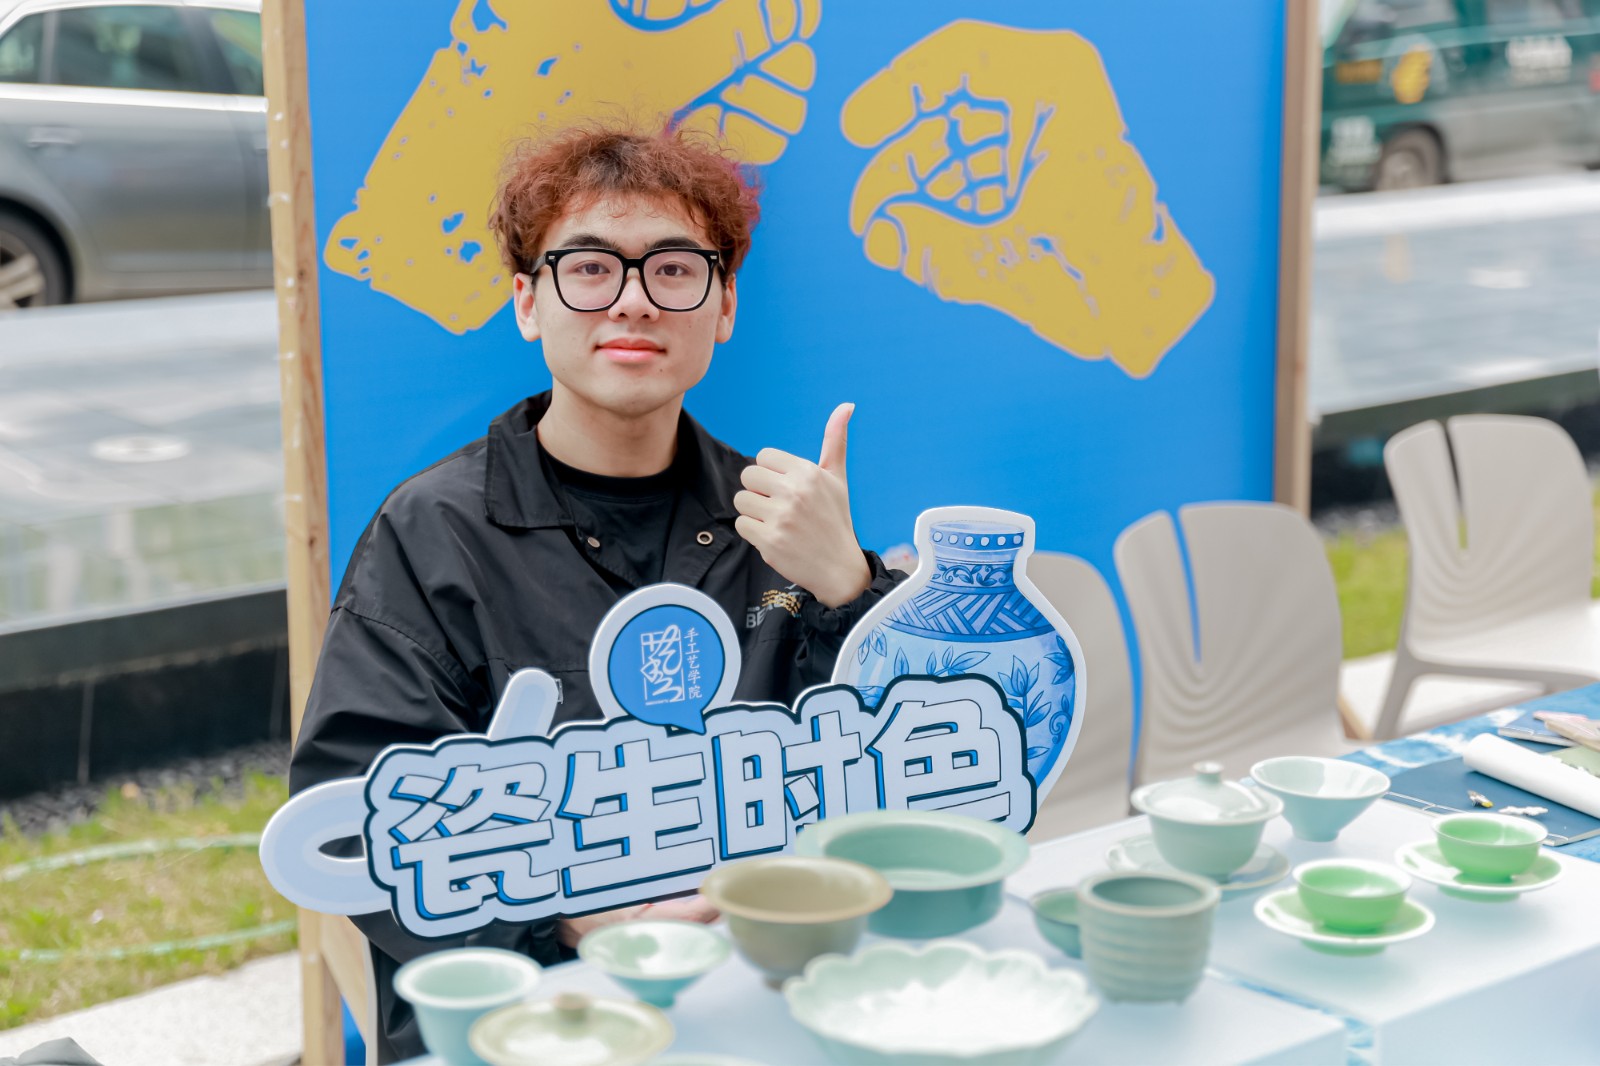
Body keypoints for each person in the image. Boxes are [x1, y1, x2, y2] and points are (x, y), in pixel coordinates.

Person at [287, 120, 901, 1062]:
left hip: (760, 993)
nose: (633, 301)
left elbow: (906, 773)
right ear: (529, 302)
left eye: (674, 269)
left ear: (724, 304)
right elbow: (357, 810)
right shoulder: (433, 534)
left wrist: (853, 591)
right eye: (589, 268)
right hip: (526, 1012)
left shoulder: (784, 524)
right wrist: (565, 919)